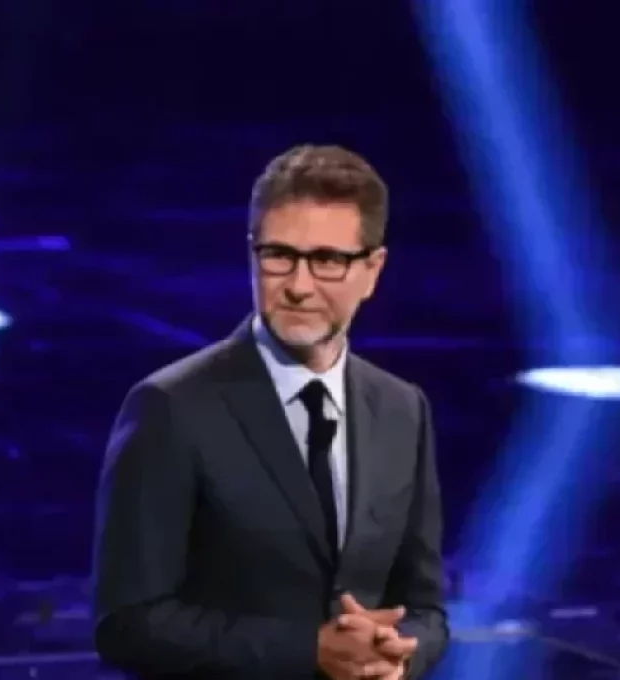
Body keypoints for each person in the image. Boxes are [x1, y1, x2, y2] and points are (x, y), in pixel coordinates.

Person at [92, 144, 449, 679]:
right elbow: (126, 623)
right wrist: (310, 650)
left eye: (327, 261)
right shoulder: (171, 407)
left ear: (372, 270)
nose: (299, 286)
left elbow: (425, 609)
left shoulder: (403, 408)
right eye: (278, 255)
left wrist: (396, 656)